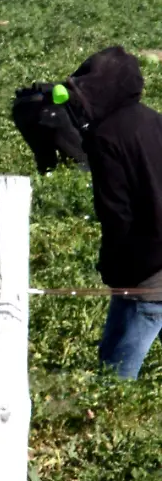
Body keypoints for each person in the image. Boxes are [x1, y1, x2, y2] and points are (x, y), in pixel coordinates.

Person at [62, 46, 162, 379]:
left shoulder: (105, 138)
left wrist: (113, 266)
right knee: (111, 356)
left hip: (146, 270)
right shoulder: (154, 120)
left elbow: (117, 214)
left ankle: (108, 418)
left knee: (115, 378)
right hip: (151, 263)